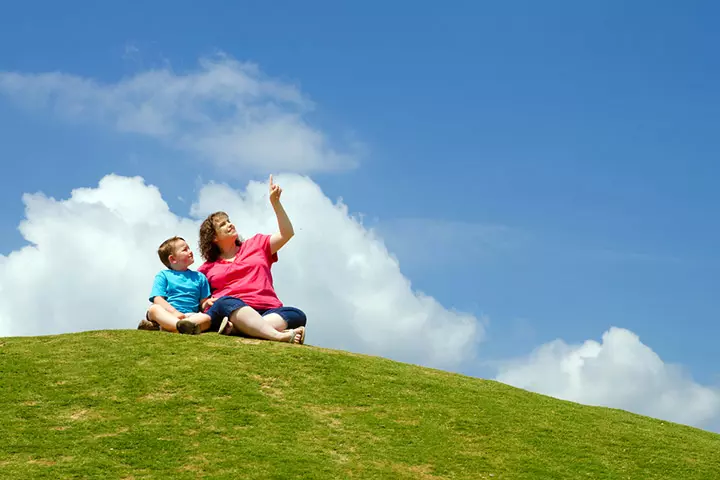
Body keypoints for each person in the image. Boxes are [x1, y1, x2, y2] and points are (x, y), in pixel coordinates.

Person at [197, 175, 306, 344]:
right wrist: (204, 303)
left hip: (268, 309)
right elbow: (197, 298)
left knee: (297, 315)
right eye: (223, 224)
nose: (230, 225)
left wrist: (275, 203)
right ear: (213, 238)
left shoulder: (257, 244)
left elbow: (287, 234)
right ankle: (278, 335)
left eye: (229, 221)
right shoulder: (205, 269)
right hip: (232, 308)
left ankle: (242, 328)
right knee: (226, 302)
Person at [138, 236, 213, 335]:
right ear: (173, 259)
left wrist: (207, 303)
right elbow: (158, 299)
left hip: (190, 316)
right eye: (185, 250)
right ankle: (179, 326)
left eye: (189, 248)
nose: (190, 251)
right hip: (167, 314)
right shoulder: (163, 275)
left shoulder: (200, 277)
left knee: (206, 318)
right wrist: (174, 312)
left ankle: (172, 327)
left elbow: (202, 303)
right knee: (154, 309)